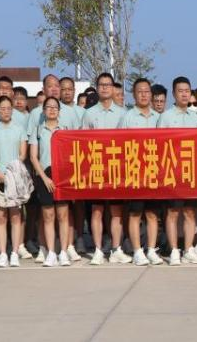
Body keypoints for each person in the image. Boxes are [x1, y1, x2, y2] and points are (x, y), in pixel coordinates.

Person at [85, 72, 130, 265]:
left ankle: (116, 248)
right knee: (97, 210)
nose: (104, 88)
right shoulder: (89, 114)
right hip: (96, 167)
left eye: (108, 85)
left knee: (116, 210)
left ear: (113, 88)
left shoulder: (123, 113)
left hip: (116, 167)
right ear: (97, 88)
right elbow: (83, 143)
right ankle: (97, 250)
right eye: (101, 85)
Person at [159, 76, 197, 265]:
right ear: (174, 94)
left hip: (190, 172)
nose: (185, 94)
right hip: (172, 171)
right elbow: (159, 144)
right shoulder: (166, 117)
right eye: (180, 91)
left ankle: (188, 249)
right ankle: (174, 250)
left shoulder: (195, 117)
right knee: (172, 212)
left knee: (190, 212)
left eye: (187, 91)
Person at [120, 78, 164, 266]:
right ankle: (137, 250)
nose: (144, 95)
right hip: (135, 171)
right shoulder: (127, 117)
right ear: (134, 94)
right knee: (135, 214)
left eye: (147, 91)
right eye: (140, 91)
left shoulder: (158, 117)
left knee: (152, 214)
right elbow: (119, 144)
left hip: (154, 171)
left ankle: (151, 249)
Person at [29, 97, 72, 267]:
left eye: (55, 107)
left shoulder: (65, 130)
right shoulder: (38, 130)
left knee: (63, 215)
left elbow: (71, 154)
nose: (52, 110)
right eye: (49, 107)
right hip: (44, 175)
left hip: (62, 175)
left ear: (59, 111)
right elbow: (33, 157)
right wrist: (44, 178)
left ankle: (63, 252)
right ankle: (51, 252)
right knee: (48, 215)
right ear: (44, 110)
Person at [0, 96, 27, 268]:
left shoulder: (19, 129)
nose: (6, 111)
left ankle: (15, 252)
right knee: (0, 216)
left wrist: (12, 172)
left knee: (15, 216)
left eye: (8, 108)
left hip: (15, 177)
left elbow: (22, 154)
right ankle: (3, 253)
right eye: (2, 108)